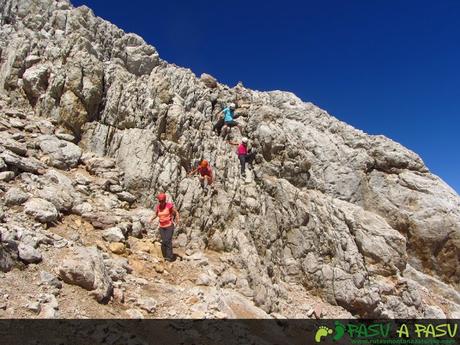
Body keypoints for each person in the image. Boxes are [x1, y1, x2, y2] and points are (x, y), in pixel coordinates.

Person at [148, 193, 180, 262]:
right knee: (164, 241)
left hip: (169, 226)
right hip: (162, 227)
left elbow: (176, 212)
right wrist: (151, 219)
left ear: (165, 200)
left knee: (167, 240)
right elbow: (156, 214)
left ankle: (169, 257)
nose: (161, 202)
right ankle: (165, 255)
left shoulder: (169, 206)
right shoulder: (158, 207)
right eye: (160, 201)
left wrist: (177, 220)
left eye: (162, 201)